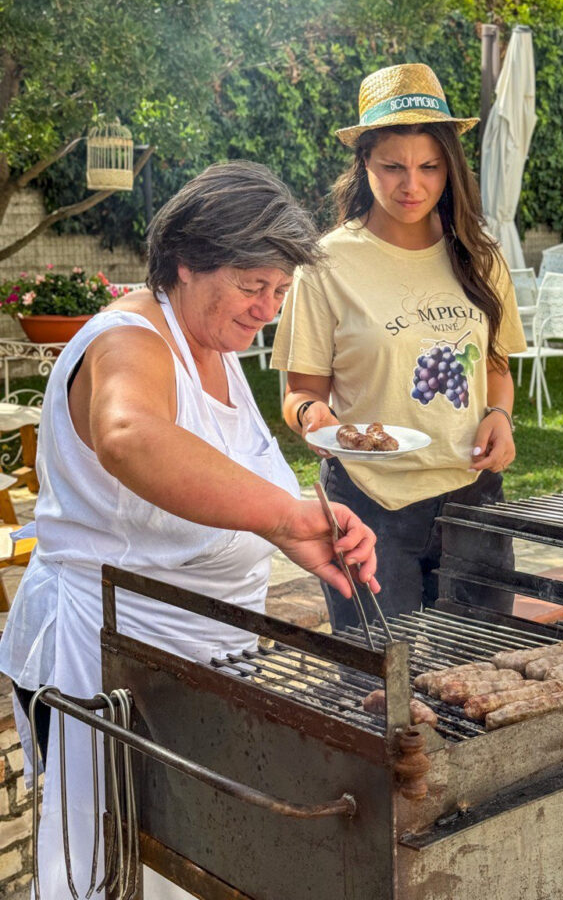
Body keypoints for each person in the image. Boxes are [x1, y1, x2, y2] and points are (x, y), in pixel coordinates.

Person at [0, 161, 378, 899]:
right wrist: (280, 515)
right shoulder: (129, 340)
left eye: (278, 290)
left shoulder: (215, 343)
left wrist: (302, 520)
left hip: (201, 667)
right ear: (185, 262)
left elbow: (215, 474)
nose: (267, 309)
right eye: (252, 285)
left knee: (192, 867)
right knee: (108, 873)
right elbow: (129, 433)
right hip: (109, 668)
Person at [272, 63, 526, 633]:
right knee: (381, 686)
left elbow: (496, 366)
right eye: (393, 167)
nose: (411, 185)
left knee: (482, 668)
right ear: (365, 164)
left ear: (451, 169)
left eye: (429, 167)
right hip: (369, 505)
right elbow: (299, 394)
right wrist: (318, 421)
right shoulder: (326, 265)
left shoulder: (480, 258)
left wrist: (501, 415)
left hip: (473, 498)